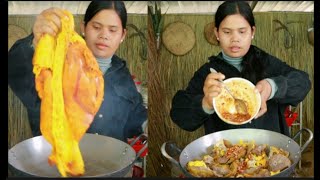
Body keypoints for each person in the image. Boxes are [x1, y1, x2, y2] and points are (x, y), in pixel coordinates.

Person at [8, 1, 147, 142]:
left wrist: (145, 124)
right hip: (58, 158)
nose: (104, 35)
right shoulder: (56, 62)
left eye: (112, 30)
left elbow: (134, 120)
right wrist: (36, 41)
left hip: (109, 161)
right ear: (83, 27)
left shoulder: (122, 74)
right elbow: (17, 72)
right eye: (96, 27)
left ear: (122, 35)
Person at [170, 1, 311, 137]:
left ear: (252, 32)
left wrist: (272, 86)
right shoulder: (208, 74)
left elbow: (303, 83)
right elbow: (180, 115)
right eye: (227, 32)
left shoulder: (267, 63)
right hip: (225, 156)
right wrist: (205, 103)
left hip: (269, 150)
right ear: (217, 33)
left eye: (242, 31)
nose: (235, 39)